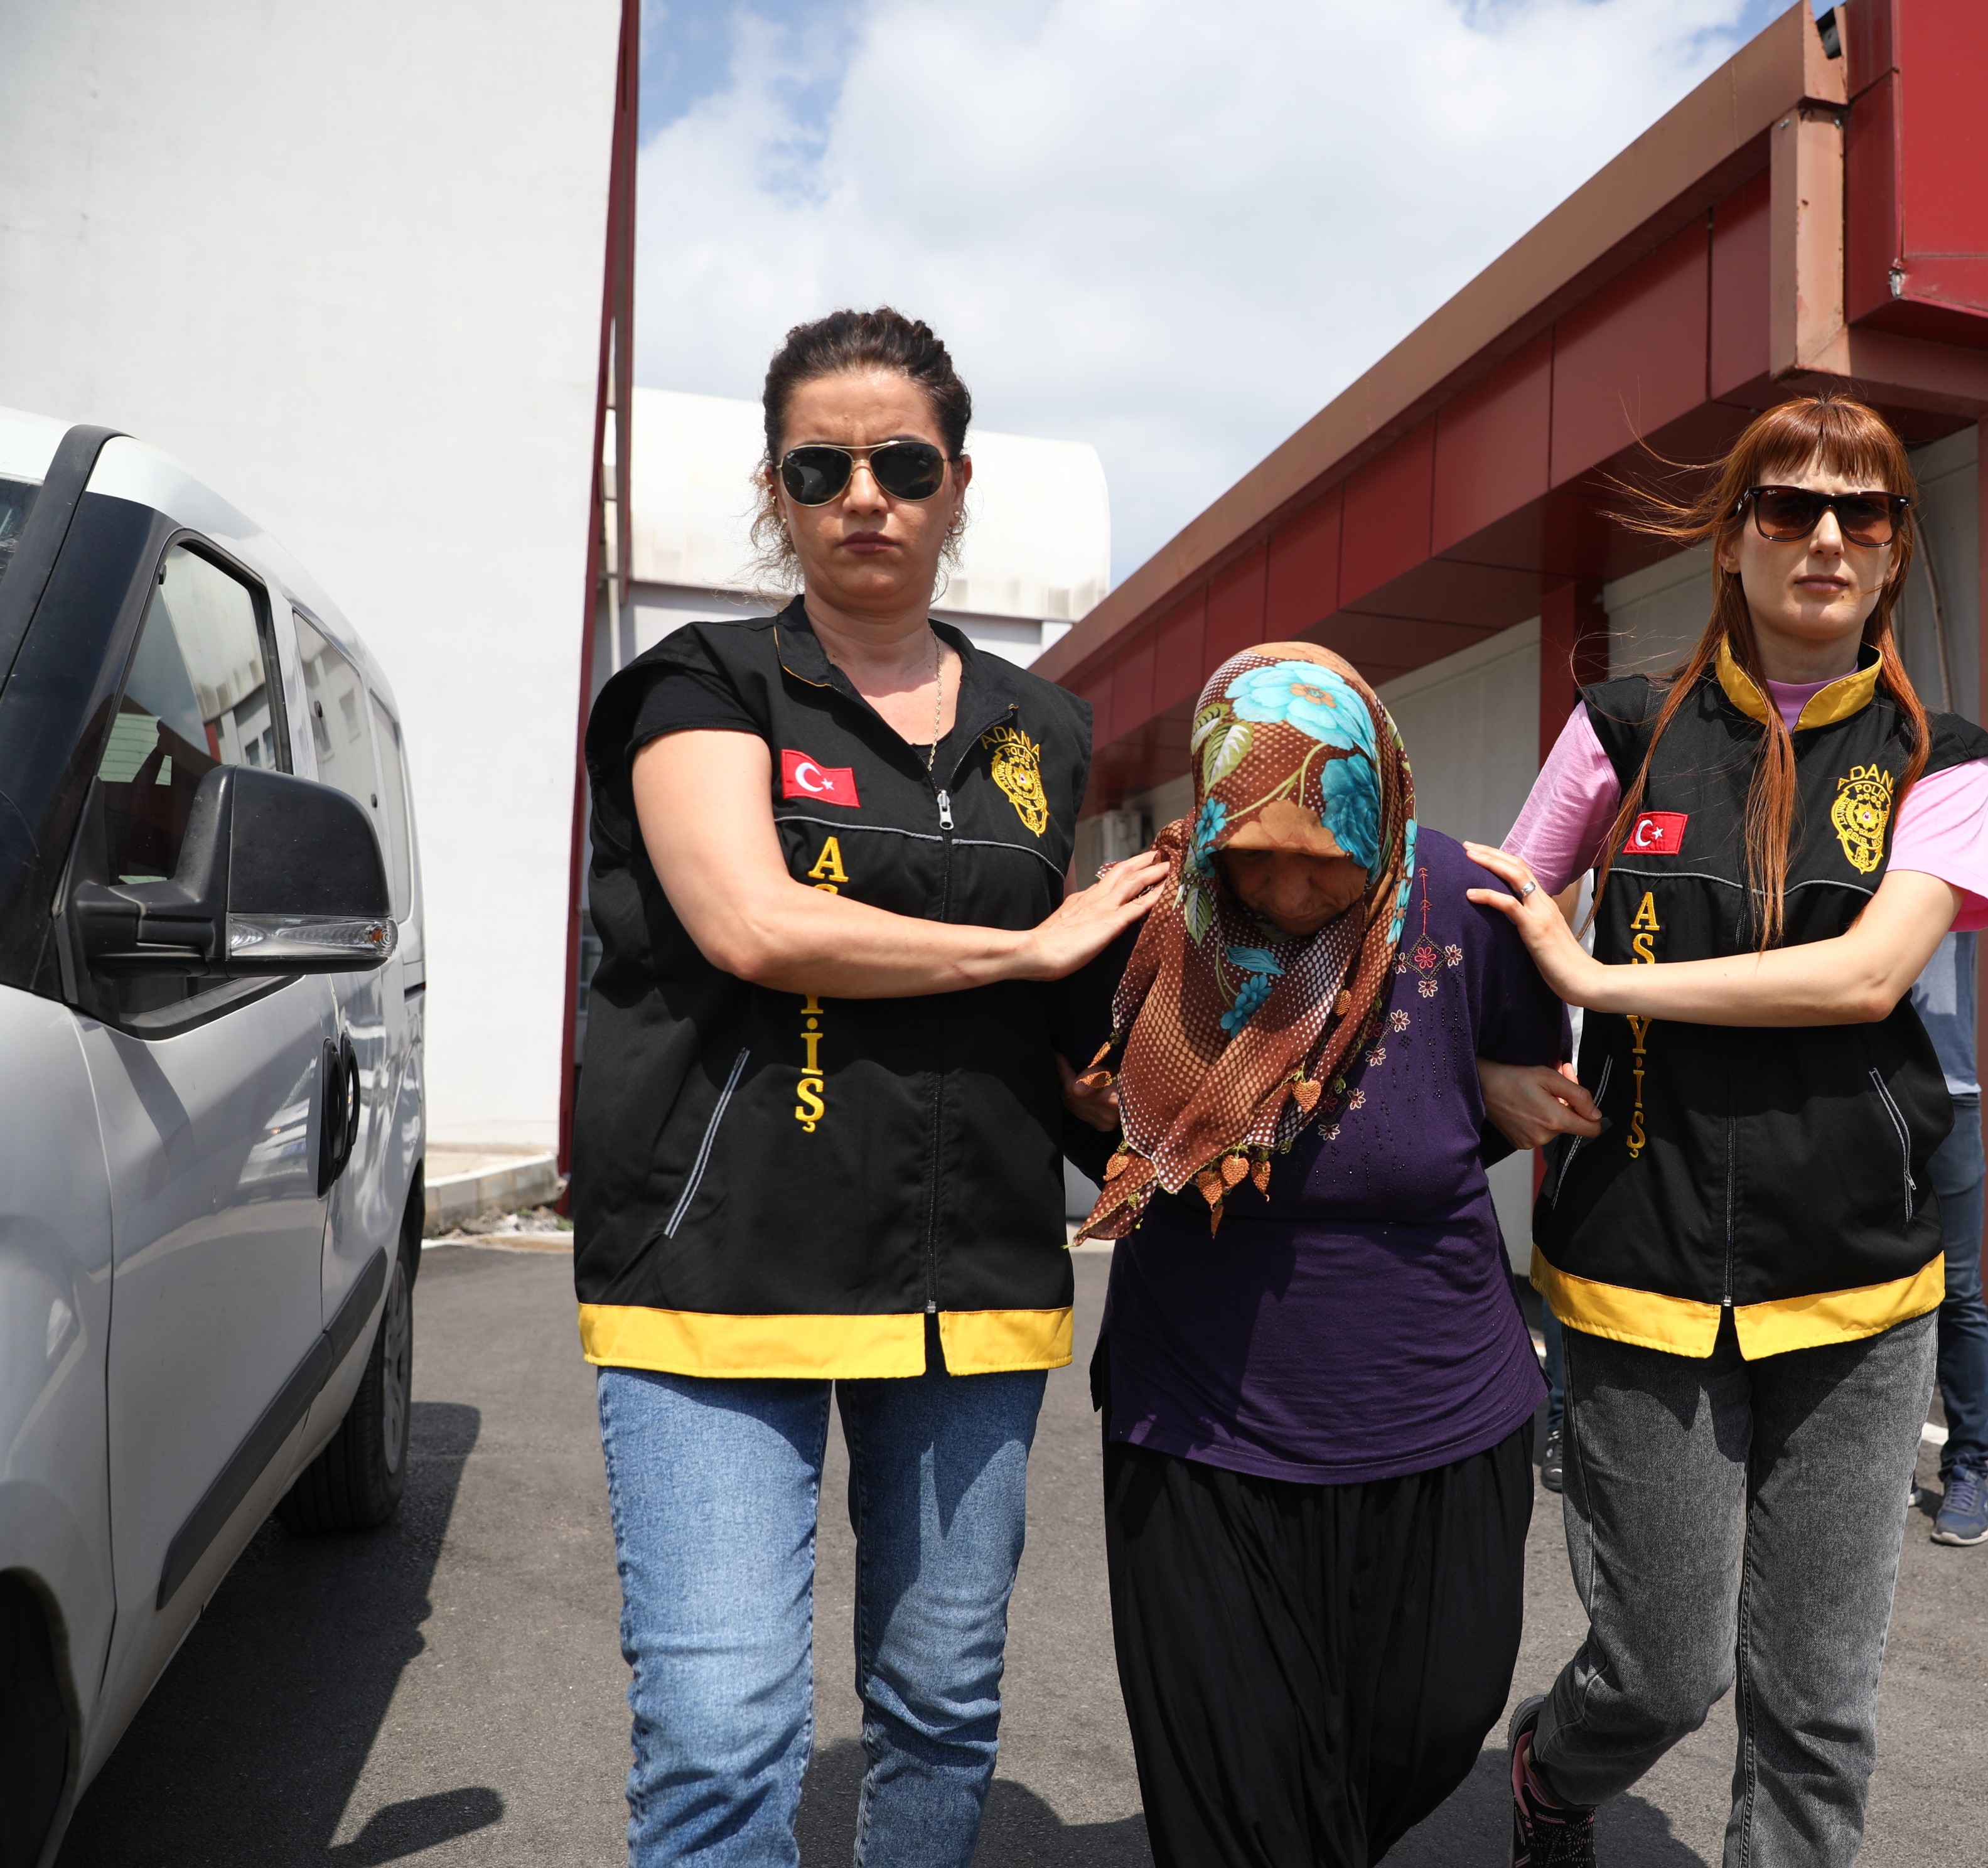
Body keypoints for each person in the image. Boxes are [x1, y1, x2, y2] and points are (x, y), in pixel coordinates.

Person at [569, 306, 1166, 1867]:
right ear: (774, 490)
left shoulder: (1043, 728)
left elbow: (1060, 1029)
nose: (863, 497)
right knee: (721, 1735)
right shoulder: (699, 686)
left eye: (901, 464)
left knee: (943, 1702)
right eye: (819, 467)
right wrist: (1027, 950)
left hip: (970, 1281)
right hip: (717, 1273)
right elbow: (752, 926)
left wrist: (1188, 1061)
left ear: (956, 483)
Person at [1469, 391, 1988, 1866]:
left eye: (1862, 510)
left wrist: (1603, 982)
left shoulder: (1941, 758)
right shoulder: (1624, 730)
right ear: (1733, 538)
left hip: (1859, 1284)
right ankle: (1551, 1773)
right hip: (1634, 1268)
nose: (1825, 536)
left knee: (1816, 1708)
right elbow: (1501, 915)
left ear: (1892, 549)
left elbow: (1865, 976)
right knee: (1661, 1669)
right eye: (1788, 506)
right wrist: (1502, 1063)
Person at [1057, 643, 1574, 1867]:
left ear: (1377, 817)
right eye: (1253, 855)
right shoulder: (1140, 923)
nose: (1288, 889)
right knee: (1231, 1783)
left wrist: (1436, 1102)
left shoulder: (1465, 903)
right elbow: (1081, 1115)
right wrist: (1139, 1117)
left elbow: (1515, 1099)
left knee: (1432, 1720)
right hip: (1198, 1420)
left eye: (1325, 860)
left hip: (1438, 1407)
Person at [1912, 838, 1988, 1547]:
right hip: (1851, 1092)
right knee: (1853, 1286)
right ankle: (1880, 1459)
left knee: (1958, 1291)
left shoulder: (1951, 824)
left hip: (1948, 1092)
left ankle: (1968, 1469)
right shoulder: (1839, 813)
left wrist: (1955, 798)